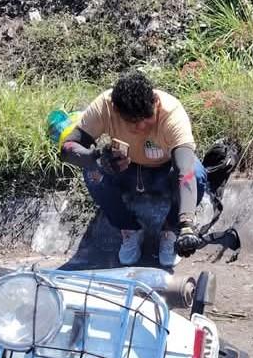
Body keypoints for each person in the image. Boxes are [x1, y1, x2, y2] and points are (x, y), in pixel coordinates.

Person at [59, 71, 207, 267]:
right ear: (116, 111)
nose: (141, 126)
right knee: (92, 173)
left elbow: (185, 170)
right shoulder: (105, 106)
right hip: (125, 170)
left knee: (196, 173)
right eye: (132, 122)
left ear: (155, 101)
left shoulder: (172, 113)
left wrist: (186, 225)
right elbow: (67, 149)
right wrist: (97, 158)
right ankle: (129, 229)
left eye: (146, 118)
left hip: (165, 171)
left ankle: (170, 231)